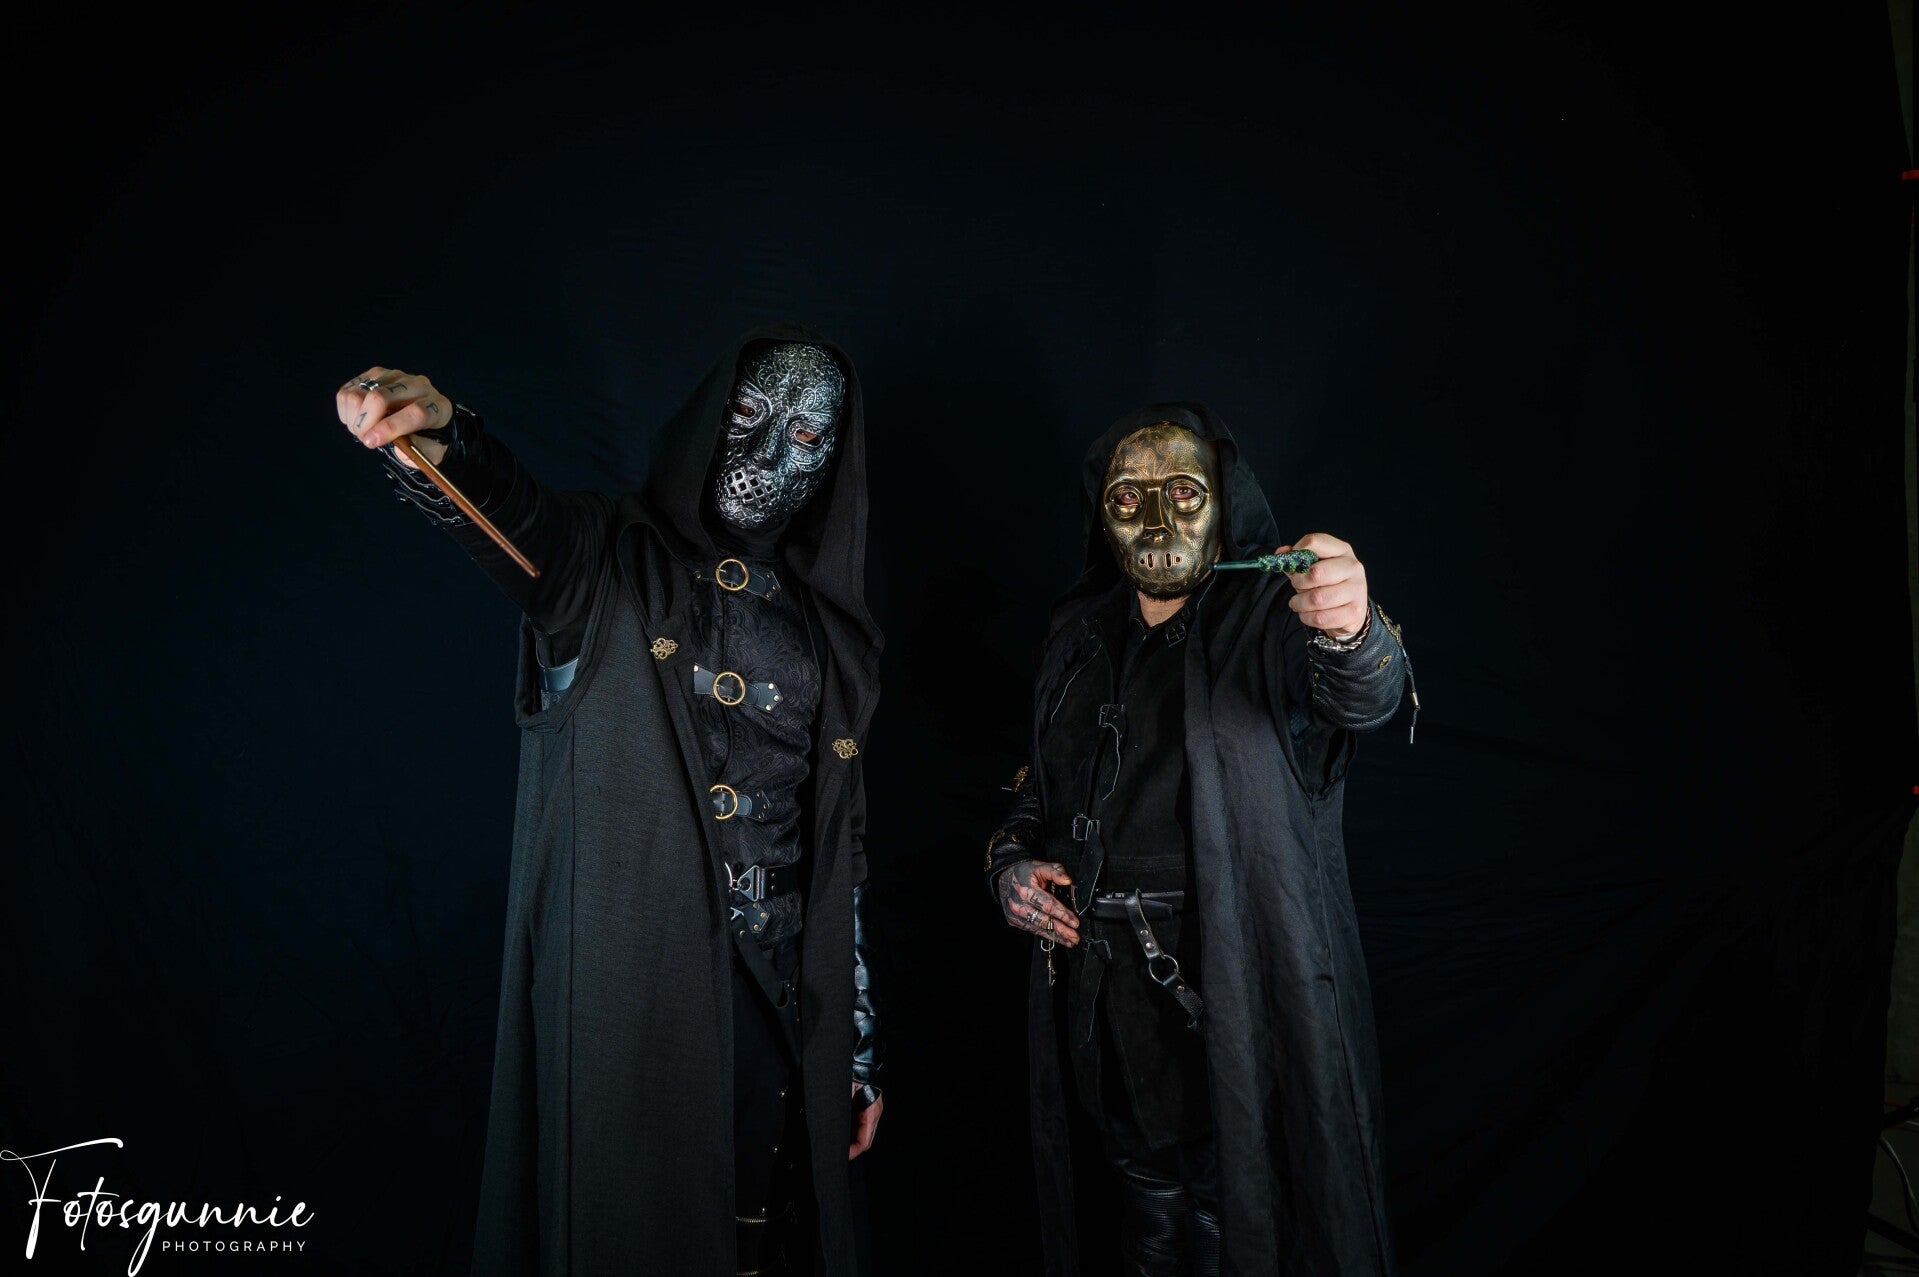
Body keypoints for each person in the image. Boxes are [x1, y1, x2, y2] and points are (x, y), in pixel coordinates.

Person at [332, 323, 884, 1276]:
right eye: (749, 415)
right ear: (711, 417)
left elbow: (841, 849)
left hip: (781, 994)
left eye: (801, 436)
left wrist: (857, 1045)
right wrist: (442, 436)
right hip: (638, 996)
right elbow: (515, 518)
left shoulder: (824, 626)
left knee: (767, 1240)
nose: (764, 456)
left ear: (830, 462)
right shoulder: (603, 561)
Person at [986, 406, 1414, 1277]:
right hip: (1103, 999)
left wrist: (1351, 628)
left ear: (1222, 502)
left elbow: (1360, 695)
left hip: (1235, 991)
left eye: (1181, 494)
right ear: (1100, 517)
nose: (1155, 523)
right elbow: (1037, 793)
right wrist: (1009, 864)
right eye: (1128, 498)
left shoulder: (1272, 621)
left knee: (1239, 1215)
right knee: (1146, 1214)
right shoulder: (1077, 636)